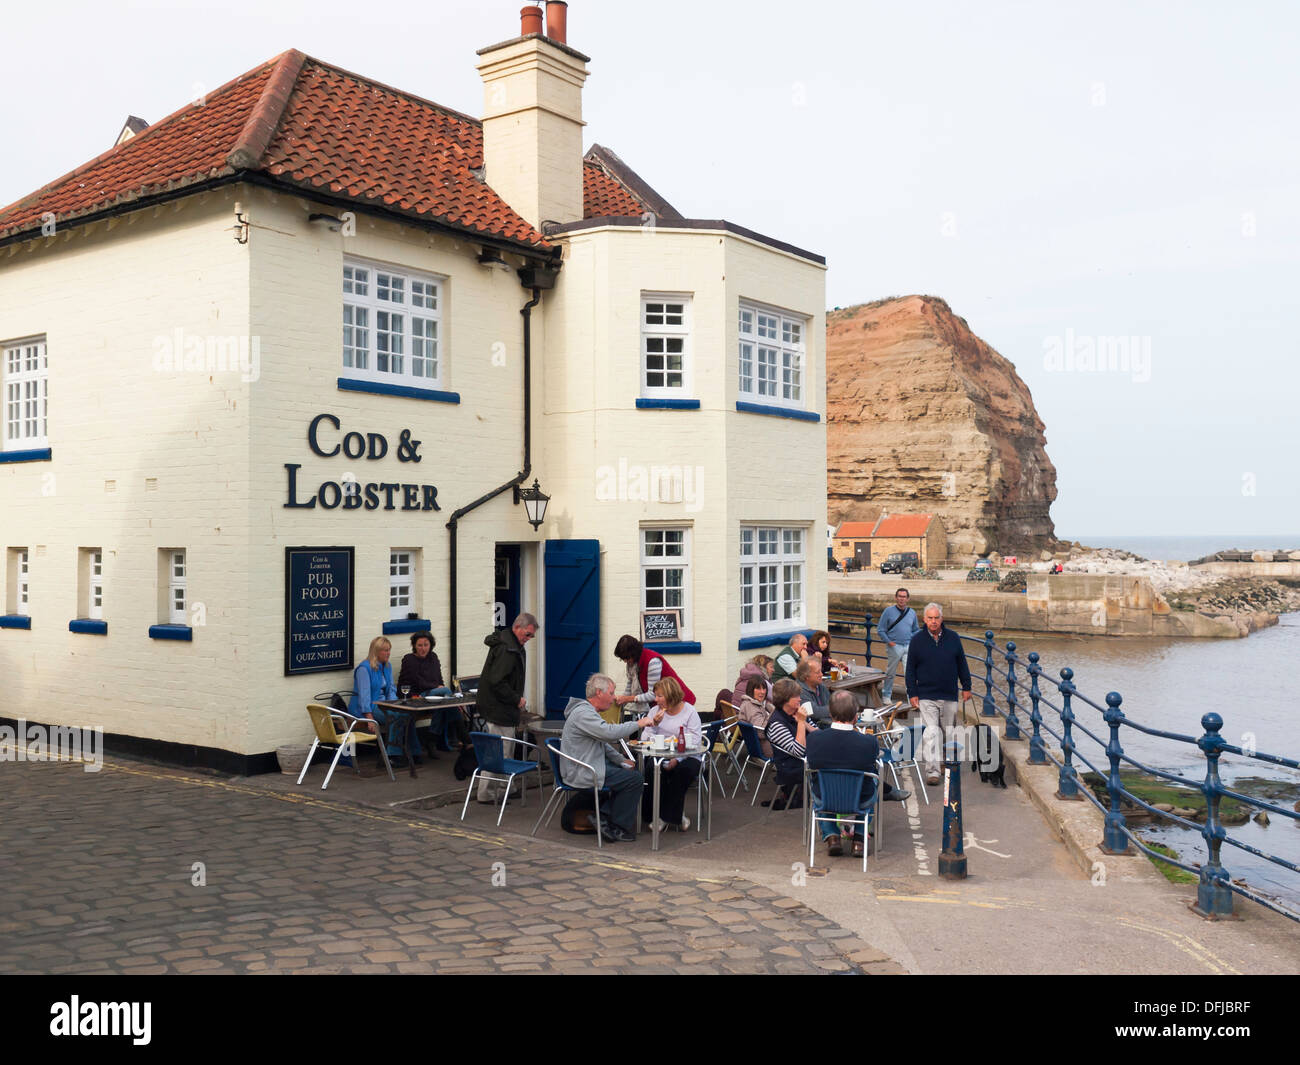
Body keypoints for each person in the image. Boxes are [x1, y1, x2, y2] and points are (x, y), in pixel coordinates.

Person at [561, 674, 663, 843]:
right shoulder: (583, 714)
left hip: (589, 764)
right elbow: (608, 733)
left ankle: (602, 817)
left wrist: (620, 760)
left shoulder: (586, 711)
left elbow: (602, 741)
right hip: (584, 770)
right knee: (635, 779)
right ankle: (618, 826)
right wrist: (638, 723)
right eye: (611, 692)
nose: (614, 697)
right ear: (599, 693)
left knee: (628, 772)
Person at [806, 691, 881, 858]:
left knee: (820, 785)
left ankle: (832, 837)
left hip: (825, 798)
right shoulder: (869, 742)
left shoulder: (814, 739)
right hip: (860, 799)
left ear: (831, 714)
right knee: (875, 782)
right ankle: (859, 840)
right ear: (855, 716)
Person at [905, 602, 972, 785]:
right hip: (926, 695)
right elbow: (910, 669)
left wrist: (967, 686)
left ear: (941, 619)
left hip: (949, 693)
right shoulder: (917, 640)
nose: (933, 622)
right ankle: (933, 771)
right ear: (924, 620)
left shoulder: (953, 638)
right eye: (930, 618)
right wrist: (912, 692)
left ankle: (944, 762)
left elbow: (962, 664)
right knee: (932, 733)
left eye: (936, 618)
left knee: (947, 733)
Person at [475, 612, 538, 803]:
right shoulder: (507, 649)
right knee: (499, 752)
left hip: (501, 707)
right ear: (517, 627)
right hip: (499, 707)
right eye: (527, 634)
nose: (528, 639)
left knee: (506, 749)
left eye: (531, 636)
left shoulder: (511, 645)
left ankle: (506, 788)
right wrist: (516, 699)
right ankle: (487, 794)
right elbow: (497, 681)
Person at [639, 677, 703, 832]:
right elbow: (644, 739)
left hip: (687, 755)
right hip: (661, 754)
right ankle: (675, 815)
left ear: (671, 695)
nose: (656, 699)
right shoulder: (655, 711)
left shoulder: (689, 711)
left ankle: (663, 817)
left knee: (683, 771)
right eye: (656, 695)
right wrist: (655, 724)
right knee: (651, 770)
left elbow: (695, 740)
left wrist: (678, 759)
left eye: (660, 696)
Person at [349, 635, 413, 766]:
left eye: (389, 650)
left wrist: (395, 705)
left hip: (384, 704)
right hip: (368, 707)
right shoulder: (364, 669)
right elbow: (364, 694)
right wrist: (369, 717)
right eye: (385, 650)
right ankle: (391, 756)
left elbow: (391, 689)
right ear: (376, 651)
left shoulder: (387, 666)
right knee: (395, 717)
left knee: (407, 714)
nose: (388, 653)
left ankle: (414, 752)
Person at [397, 631, 465, 752]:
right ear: (414, 646)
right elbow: (417, 682)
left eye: (426, 645)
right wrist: (439, 688)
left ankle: (432, 740)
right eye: (419, 645)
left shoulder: (433, 657)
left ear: (431, 645)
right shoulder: (409, 659)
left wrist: (441, 689)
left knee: (443, 703)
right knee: (446, 693)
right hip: (417, 696)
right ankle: (462, 735)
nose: (423, 648)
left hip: (434, 697)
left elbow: (440, 680)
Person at [764, 677, 816, 809]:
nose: (800, 699)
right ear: (785, 699)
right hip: (792, 767)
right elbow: (798, 751)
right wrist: (800, 723)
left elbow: (819, 735)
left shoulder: (796, 713)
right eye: (796, 696)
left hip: (807, 760)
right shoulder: (776, 723)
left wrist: (804, 723)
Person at [612, 634, 696, 712]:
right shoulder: (632, 663)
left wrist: (628, 699)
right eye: (623, 659)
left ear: (634, 653)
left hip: (678, 702)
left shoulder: (652, 662)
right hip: (662, 703)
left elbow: (653, 695)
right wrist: (621, 699)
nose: (625, 661)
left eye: (626, 658)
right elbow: (629, 686)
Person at [876, 588, 919, 703]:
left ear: (908, 599)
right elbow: (880, 630)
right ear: (896, 598)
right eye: (899, 596)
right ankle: (886, 695)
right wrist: (890, 643)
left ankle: (912, 698)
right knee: (891, 672)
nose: (901, 599)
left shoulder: (912, 613)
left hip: (908, 646)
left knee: (910, 674)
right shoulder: (888, 611)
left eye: (904, 596)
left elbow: (916, 630)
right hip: (894, 646)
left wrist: (912, 641)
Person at [735, 674, 774, 758]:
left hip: (762, 747)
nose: (762, 692)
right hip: (767, 751)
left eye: (764, 688)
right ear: (750, 690)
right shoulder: (750, 706)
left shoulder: (753, 703)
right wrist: (773, 714)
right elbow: (761, 732)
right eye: (758, 688)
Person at [794, 657, 831, 724]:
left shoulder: (820, 685)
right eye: (817, 672)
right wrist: (837, 709)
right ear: (806, 676)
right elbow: (814, 713)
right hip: (812, 728)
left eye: (821, 671)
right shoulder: (798, 690)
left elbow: (830, 702)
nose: (821, 674)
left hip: (827, 723)